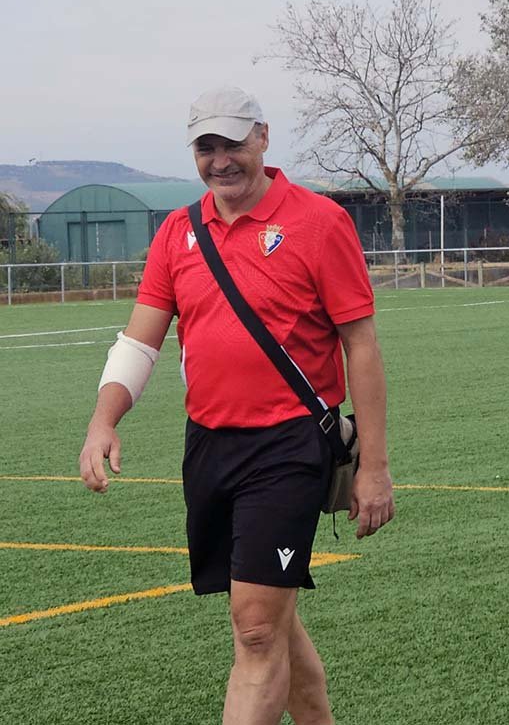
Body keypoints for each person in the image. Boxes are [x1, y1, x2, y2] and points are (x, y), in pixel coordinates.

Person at [78, 86, 394, 724]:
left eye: (232, 144)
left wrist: (375, 467)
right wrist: (102, 420)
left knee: (254, 630)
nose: (220, 161)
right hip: (208, 445)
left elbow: (360, 346)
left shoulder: (319, 222)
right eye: (206, 147)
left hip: (289, 446)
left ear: (263, 138)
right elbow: (139, 342)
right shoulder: (178, 231)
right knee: (272, 622)